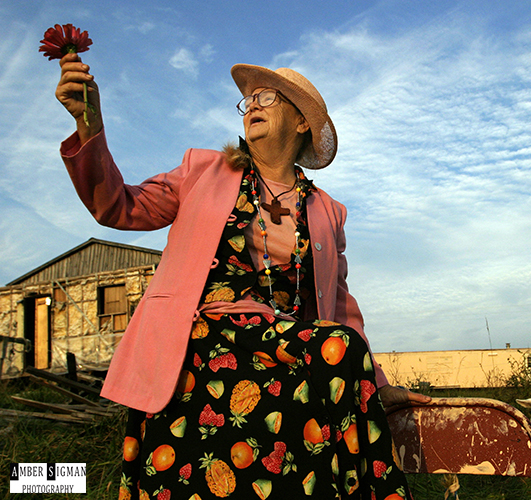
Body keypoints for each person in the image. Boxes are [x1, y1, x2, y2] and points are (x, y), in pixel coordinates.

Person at [56, 52, 430, 499]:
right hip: (202, 344)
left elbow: (343, 311)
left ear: (301, 122)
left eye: (267, 97)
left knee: (338, 348)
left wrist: (378, 384)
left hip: (281, 352)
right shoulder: (203, 170)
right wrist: (89, 125)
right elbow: (117, 204)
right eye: (248, 99)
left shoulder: (328, 211)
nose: (252, 104)